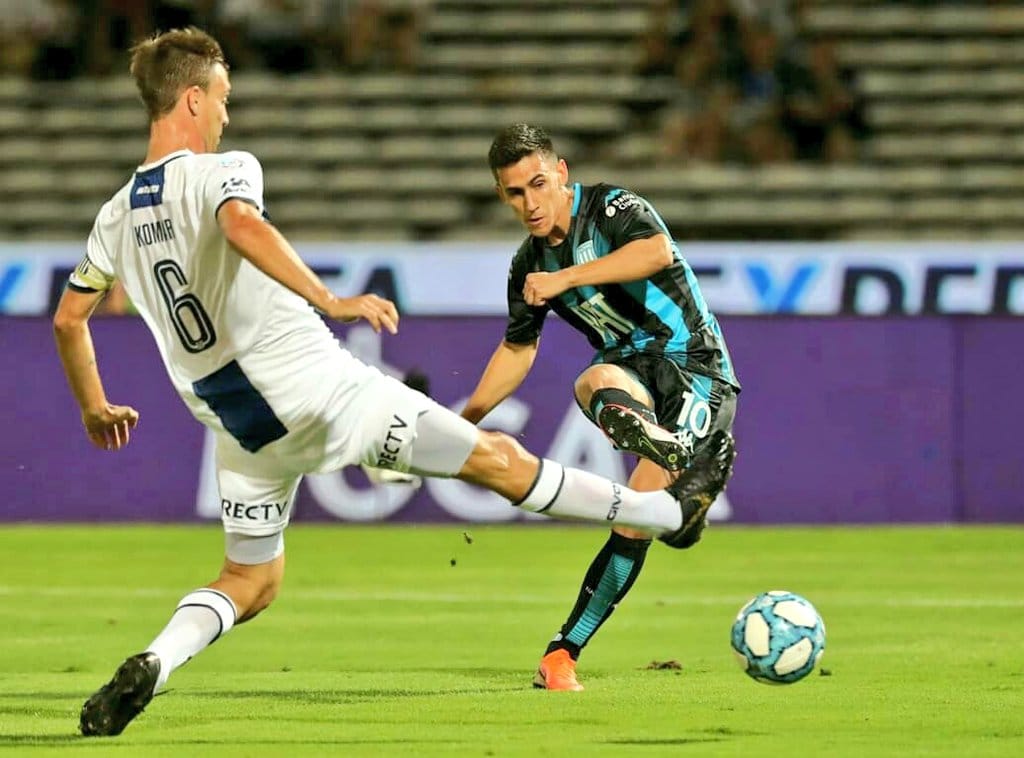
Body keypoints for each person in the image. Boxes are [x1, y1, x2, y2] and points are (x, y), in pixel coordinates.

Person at [52, 29, 731, 737]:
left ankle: (155, 663)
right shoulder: (225, 171)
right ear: (192, 98)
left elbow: (71, 322)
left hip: (240, 430)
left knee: (249, 581)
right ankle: (664, 514)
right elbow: (242, 225)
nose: (226, 113)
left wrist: (94, 407)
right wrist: (331, 299)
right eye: (222, 98)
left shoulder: (114, 216)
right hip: (320, 390)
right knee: (495, 460)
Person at [461, 123, 740, 691]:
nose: (530, 203)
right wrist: (462, 422)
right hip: (630, 373)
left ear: (561, 173)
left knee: (647, 518)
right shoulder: (526, 266)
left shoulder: (612, 207)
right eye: (515, 193)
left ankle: (679, 484)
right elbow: (518, 349)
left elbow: (656, 251)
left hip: (696, 367)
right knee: (594, 383)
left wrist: (564, 277)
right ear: (501, 195)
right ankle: (561, 656)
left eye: (538, 184)